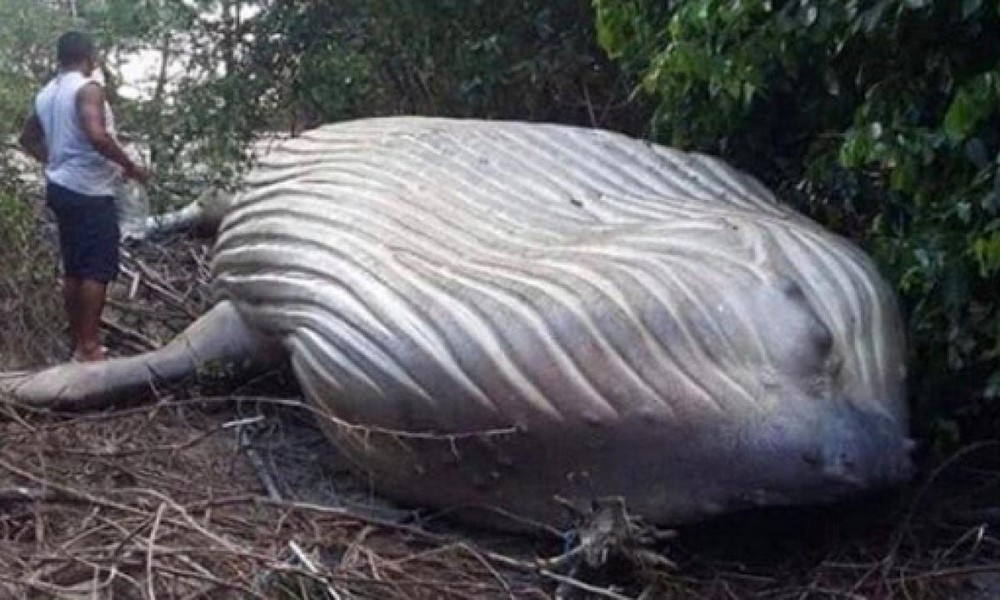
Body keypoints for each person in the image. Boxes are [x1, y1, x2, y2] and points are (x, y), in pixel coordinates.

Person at [18, 31, 150, 362]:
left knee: (74, 268)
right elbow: (97, 134)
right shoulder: (87, 88)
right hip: (90, 191)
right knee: (96, 269)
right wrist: (130, 166)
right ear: (88, 57)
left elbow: (27, 139)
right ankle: (90, 347)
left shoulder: (47, 94)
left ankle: (78, 342)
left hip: (61, 188)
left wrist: (56, 160)